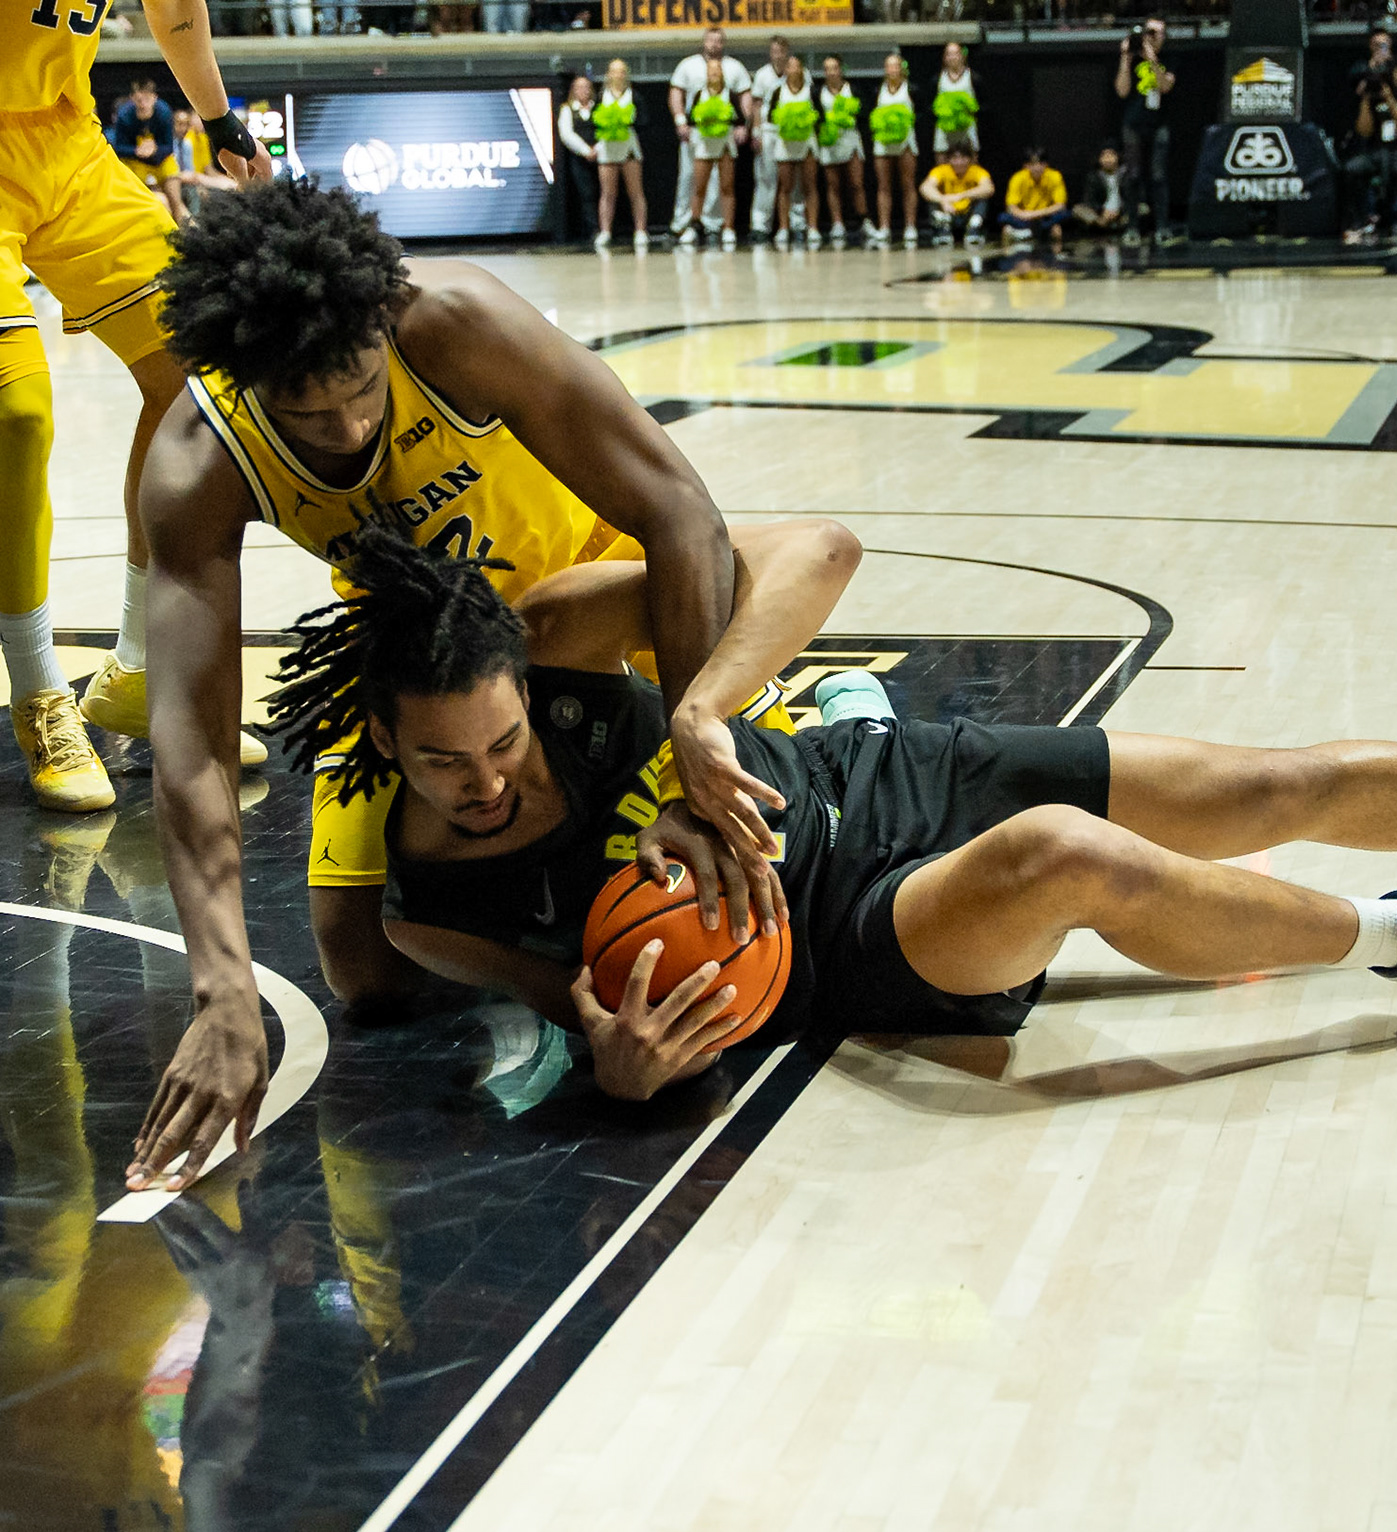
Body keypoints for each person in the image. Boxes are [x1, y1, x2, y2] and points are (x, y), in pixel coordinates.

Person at [274, 533, 1397, 1112]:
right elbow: (582, 1007)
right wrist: (620, 1062)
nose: (489, 780)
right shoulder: (428, 905)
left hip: (891, 779)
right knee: (1071, 862)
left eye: (503, 741)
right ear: (384, 755)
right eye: (445, 767)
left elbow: (815, 551)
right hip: (838, 941)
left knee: (1272, 784)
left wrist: (696, 718)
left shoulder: (557, 646)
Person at [116, 179, 810, 1192]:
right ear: (243, 379)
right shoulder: (194, 463)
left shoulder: (457, 323)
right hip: (426, 653)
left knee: (744, 875)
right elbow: (193, 747)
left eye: (361, 387)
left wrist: (690, 761)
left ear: (382, 322)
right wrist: (219, 981)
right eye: (308, 412)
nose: (349, 428)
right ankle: (576, 931)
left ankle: (813, 722)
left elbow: (680, 512)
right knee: (363, 972)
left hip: (584, 599)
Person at [2, 0, 271, 812]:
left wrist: (220, 119)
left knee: (204, 367)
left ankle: (139, 669)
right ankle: (40, 692)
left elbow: (176, 7)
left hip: (67, 140)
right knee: (17, 413)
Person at [668, 28, 751, 242]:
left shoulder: (735, 67)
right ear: (704, 41)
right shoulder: (688, 65)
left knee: (723, 183)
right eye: (710, 40)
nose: (714, 44)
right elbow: (677, 94)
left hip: (724, 136)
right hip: (697, 137)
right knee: (691, 179)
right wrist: (680, 122)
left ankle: (718, 224)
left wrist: (745, 125)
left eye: (718, 40)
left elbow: (744, 100)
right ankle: (685, 223)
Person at [1342, 28, 1397, 244]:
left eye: (1384, 44)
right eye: (1377, 44)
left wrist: (1389, 98)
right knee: (1351, 169)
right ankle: (1358, 220)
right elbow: (1363, 131)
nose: (1381, 49)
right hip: (1374, 148)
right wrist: (1368, 98)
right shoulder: (1364, 73)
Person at [1115, 18, 1174, 244]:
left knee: (1158, 175)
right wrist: (1124, 58)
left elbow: (1165, 86)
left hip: (1158, 123)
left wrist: (1152, 59)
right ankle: (1132, 227)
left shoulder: (1169, 59)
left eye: (1155, 33)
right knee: (1132, 175)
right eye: (1147, 33)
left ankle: (1162, 226)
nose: (1150, 37)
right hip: (1133, 123)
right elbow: (1122, 90)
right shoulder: (1130, 58)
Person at [750, 37, 809, 242]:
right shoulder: (762, 75)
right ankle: (760, 224)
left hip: (793, 132)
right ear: (770, 53)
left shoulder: (803, 74)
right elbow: (756, 105)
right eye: (775, 51)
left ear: (788, 52)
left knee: (795, 180)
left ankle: (797, 223)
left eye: (782, 51)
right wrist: (756, 132)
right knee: (766, 178)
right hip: (769, 130)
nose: (778, 55)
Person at [680, 58, 742, 250]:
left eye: (717, 70)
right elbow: (691, 118)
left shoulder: (730, 94)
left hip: (724, 143)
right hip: (704, 144)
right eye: (710, 70)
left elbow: (739, 118)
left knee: (727, 186)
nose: (714, 73)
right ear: (706, 74)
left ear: (722, 73)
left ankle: (728, 228)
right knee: (699, 187)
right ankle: (694, 225)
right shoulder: (700, 94)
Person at [108, 80, 189, 227]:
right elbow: (119, 148)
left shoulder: (163, 112)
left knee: (176, 201)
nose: (143, 105)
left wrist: (154, 150)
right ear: (132, 99)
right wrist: (137, 151)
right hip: (136, 162)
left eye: (146, 100)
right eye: (139, 100)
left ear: (154, 98)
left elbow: (168, 147)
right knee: (150, 201)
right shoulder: (124, 115)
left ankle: (184, 230)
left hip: (161, 160)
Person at [816, 55, 877, 247]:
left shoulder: (854, 89)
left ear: (841, 69)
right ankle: (837, 224)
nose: (831, 72)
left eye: (834, 68)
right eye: (827, 68)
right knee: (833, 185)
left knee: (856, 183)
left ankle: (864, 221)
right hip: (830, 141)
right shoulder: (818, 92)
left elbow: (865, 113)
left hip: (850, 140)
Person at [590, 59, 647, 254]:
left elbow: (643, 120)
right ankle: (605, 231)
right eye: (615, 71)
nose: (619, 75)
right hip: (607, 147)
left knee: (635, 191)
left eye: (622, 71)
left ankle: (640, 230)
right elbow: (593, 120)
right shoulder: (600, 96)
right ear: (608, 74)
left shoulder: (634, 96)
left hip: (629, 146)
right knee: (607, 192)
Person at [768, 52, 822, 251]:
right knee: (785, 187)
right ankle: (783, 227)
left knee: (810, 185)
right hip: (785, 142)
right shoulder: (777, 91)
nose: (792, 69)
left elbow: (819, 116)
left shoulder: (811, 91)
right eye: (789, 66)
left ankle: (813, 227)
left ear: (802, 69)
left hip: (807, 142)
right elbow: (770, 117)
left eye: (796, 66)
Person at [869, 53, 919, 247]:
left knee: (908, 184)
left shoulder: (911, 89)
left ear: (902, 68)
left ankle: (910, 226)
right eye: (889, 66)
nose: (893, 70)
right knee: (884, 186)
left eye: (896, 66)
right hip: (883, 143)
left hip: (905, 141)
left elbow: (920, 113)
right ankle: (884, 227)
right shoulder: (877, 91)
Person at [555, 74, 600, 243]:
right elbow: (566, 134)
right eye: (579, 88)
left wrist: (598, 148)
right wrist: (585, 150)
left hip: (601, 156)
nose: (583, 91)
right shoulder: (567, 109)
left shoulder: (599, 108)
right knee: (585, 193)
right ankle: (591, 229)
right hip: (579, 158)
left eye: (586, 87)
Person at [922, 144, 993, 246]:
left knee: (982, 199)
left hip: (967, 213)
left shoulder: (977, 171)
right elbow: (925, 187)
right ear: (949, 160)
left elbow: (988, 188)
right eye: (955, 158)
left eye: (963, 158)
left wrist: (962, 195)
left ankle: (974, 229)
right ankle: (943, 230)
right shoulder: (941, 170)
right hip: (948, 212)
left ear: (969, 159)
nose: (959, 162)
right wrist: (942, 200)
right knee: (932, 201)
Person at [1001, 146, 1070, 248]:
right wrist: (1024, 215)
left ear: (1046, 164)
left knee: (1059, 224)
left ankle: (1054, 258)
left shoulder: (1055, 176)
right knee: (1005, 222)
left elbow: (1060, 205)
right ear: (1026, 166)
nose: (1037, 167)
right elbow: (1011, 207)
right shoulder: (1017, 178)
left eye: (1041, 163)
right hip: (1024, 218)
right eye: (1032, 164)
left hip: (1046, 217)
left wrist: (1037, 213)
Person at [932, 40, 980, 157]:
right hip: (944, 128)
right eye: (949, 54)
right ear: (944, 58)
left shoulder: (973, 77)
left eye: (956, 53)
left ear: (962, 56)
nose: (952, 57)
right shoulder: (937, 79)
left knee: (971, 159)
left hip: (967, 127)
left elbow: (983, 104)